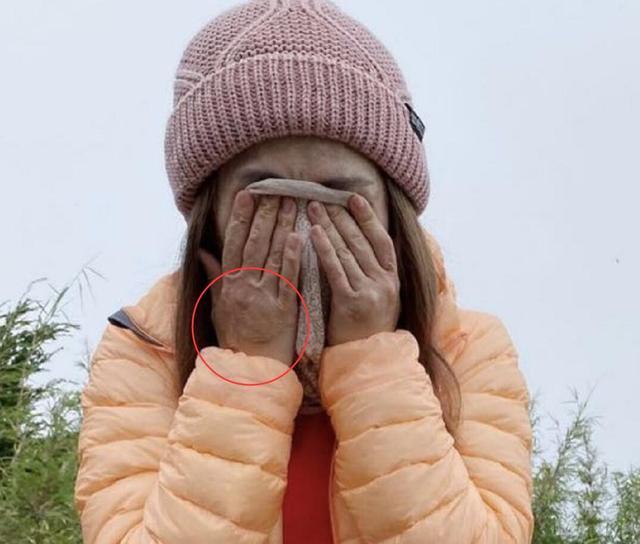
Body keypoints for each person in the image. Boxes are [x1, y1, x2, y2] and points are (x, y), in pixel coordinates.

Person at [74, 0, 534, 542]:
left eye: (339, 197)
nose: (301, 228)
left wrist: (372, 360)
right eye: (265, 197)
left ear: (392, 213)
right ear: (211, 214)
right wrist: (246, 367)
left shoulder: (465, 349)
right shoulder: (145, 352)